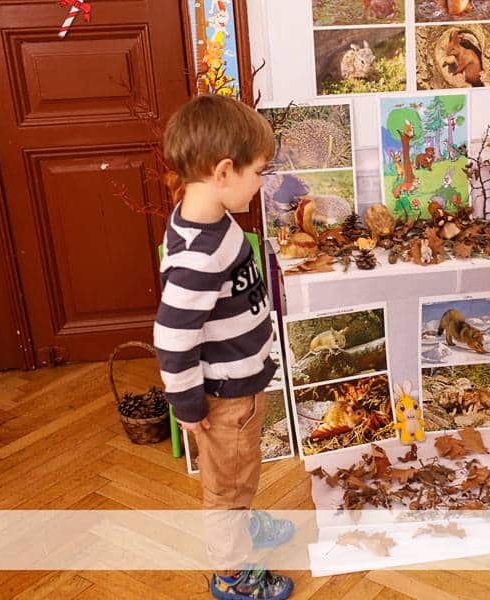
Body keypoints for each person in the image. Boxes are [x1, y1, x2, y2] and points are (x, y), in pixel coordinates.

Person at [154, 95, 294, 600]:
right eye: (259, 173)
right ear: (224, 172)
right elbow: (172, 338)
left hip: (243, 383)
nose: (262, 184)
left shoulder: (210, 217)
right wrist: (187, 405)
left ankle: (244, 519)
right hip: (224, 398)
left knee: (240, 471)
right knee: (226, 489)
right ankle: (232, 574)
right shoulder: (199, 256)